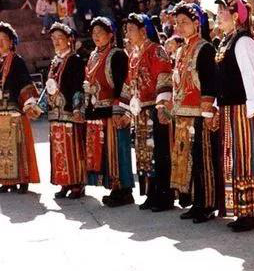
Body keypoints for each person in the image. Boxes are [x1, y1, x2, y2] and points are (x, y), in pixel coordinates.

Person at [214, 0, 254, 232]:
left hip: (243, 109)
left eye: (222, 12)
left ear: (236, 16)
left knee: (246, 159)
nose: (218, 16)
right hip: (229, 108)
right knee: (234, 159)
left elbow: (250, 75)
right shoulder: (226, 41)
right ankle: (241, 209)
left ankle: (252, 212)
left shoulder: (243, 40)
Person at [168, 4, 220, 224]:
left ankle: (207, 204)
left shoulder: (205, 48)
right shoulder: (181, 50)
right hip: (183, 114)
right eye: (177, 23)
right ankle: (196, 201)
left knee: (202, 160)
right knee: (188, 159)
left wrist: (208, 112)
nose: (180, 27)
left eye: (185, 22)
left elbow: (209, 83)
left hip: (199, 113)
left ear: (197, 23)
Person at [121, 14, 174, 212]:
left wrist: (161, 106)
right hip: (140, 111)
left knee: (158, 153)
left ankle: (164, 196)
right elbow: (128, 84)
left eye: (131, 30)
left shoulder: (156, 50)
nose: (127, 34)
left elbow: (164, 77)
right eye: (126, 30)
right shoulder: (134, 54)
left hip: (154, 109)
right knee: (144, 154)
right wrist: (124, 110)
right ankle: (152, 194)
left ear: (143, 31)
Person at [29, 22, 86, 199]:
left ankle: (77, 183)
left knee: (72, 148)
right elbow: (48, 88)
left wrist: (77, 109)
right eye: (53, 39)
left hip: (69, 112)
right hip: (55, 113)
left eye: (60, 38)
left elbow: (78, 87)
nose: (56, 42)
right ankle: (64, 183)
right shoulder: (55, 62)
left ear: (69, 40)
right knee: (59, 149)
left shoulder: (75, 60)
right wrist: (39, 107)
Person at [83, 17, 134, 207]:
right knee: (106, 153)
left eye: (100, 33)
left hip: (114, 111)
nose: (96, 36)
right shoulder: (93, 55)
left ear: (110, 35)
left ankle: (124, 190)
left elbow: (123, 84)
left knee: (118, 151)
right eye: (94, 33)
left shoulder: (117, 55)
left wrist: (120, 110)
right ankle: (114, 188)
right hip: (98, 111)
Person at [0, 23, 40, 194]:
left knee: (19, 146)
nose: (0, 43)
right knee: (3, 149)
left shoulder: (17, 61)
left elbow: (25, 83)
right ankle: (7, 181)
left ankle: (23, 179)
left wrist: (29, 103)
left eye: (3, 39)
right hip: (1, 113)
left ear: (11, 42)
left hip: (16, 111)